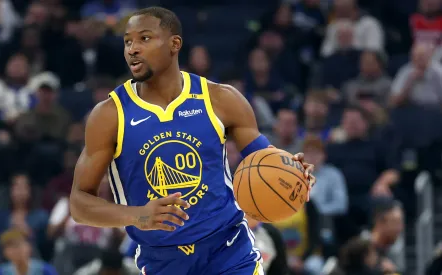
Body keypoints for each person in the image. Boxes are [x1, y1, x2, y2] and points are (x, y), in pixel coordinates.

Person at [69, 7, 316, 275]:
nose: (133, 49)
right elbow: (79, 204)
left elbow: (266, 160)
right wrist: (139, 215)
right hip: (163, 261)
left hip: (229, 251)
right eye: (128, 41)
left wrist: (294, 173)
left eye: (145, 38)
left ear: (174, 44)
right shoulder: (110, 115)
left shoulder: (220, 99)